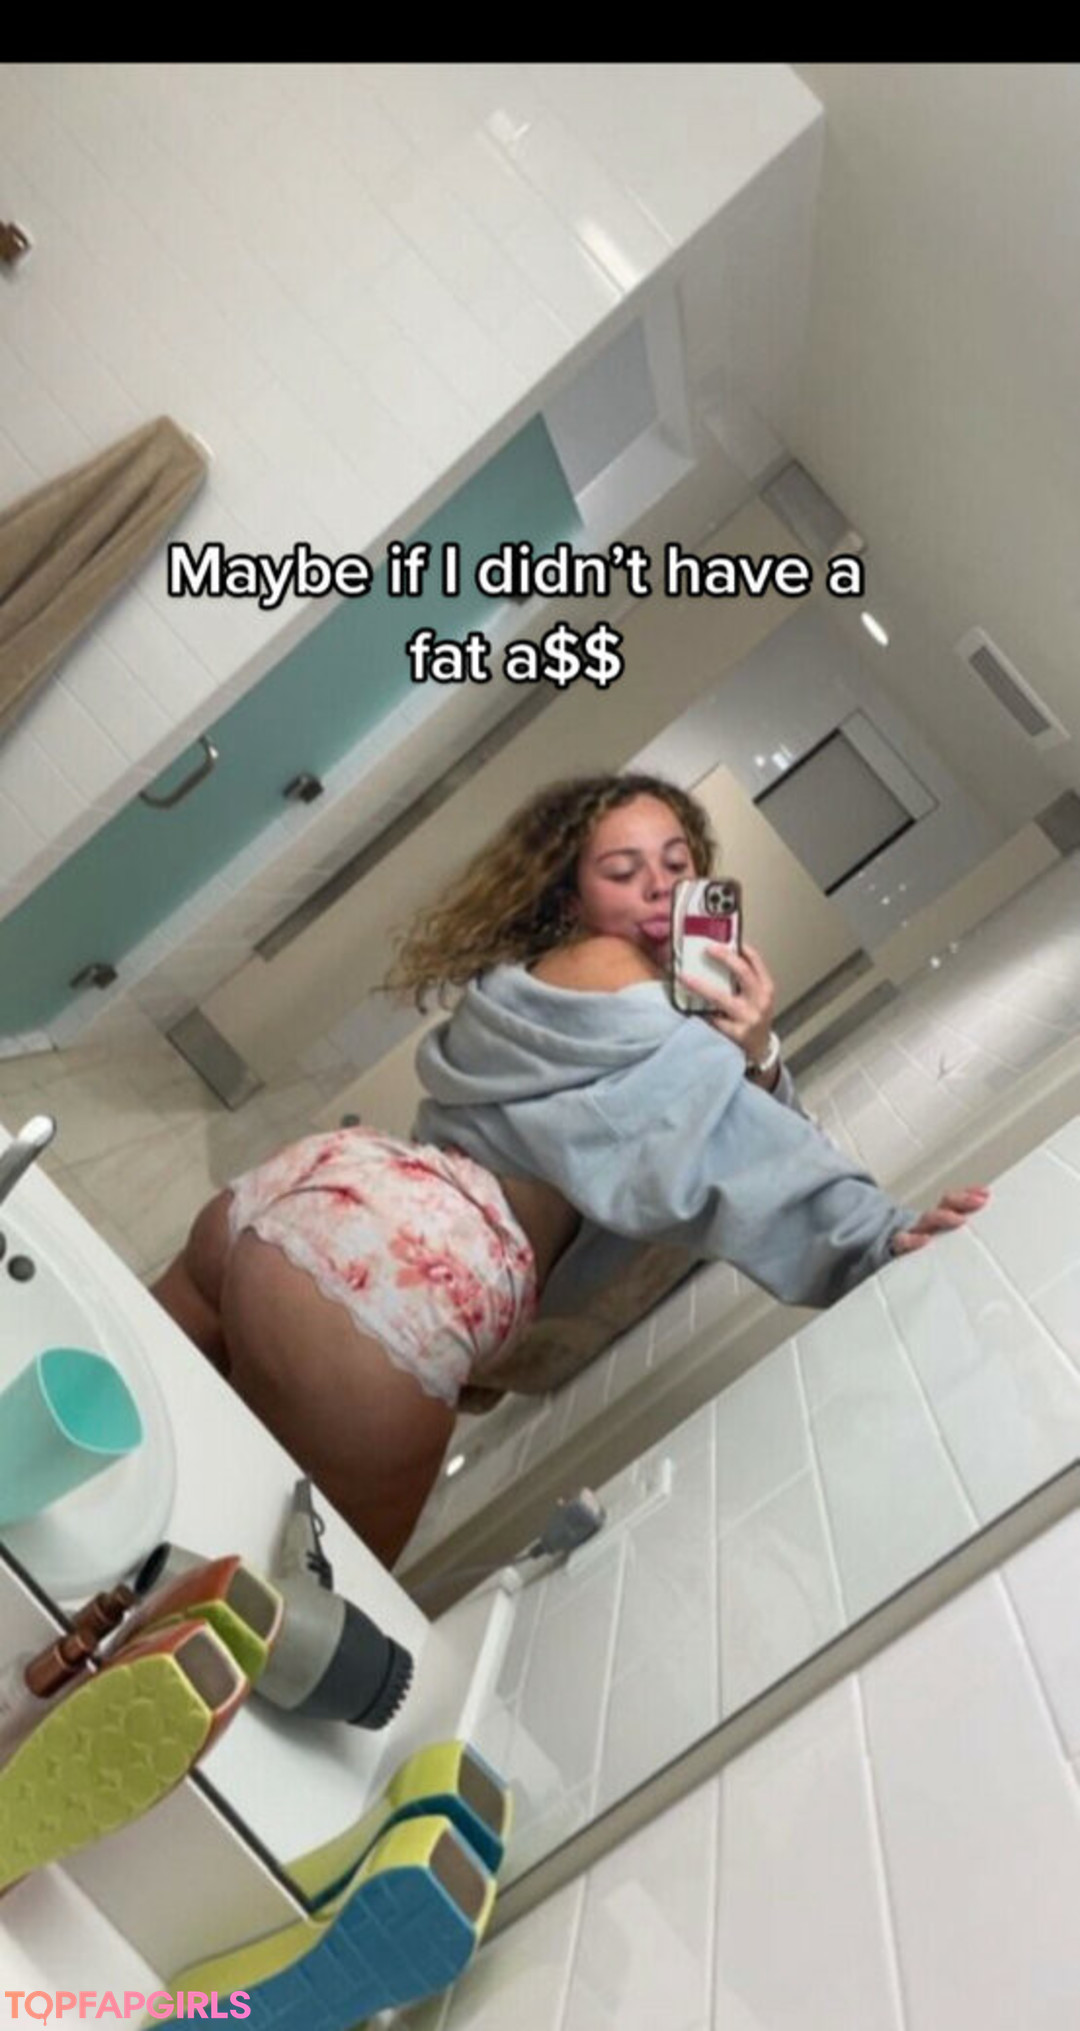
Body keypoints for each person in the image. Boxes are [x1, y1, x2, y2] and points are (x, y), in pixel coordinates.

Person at [152, 773, 988, 1566]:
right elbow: (742, 1148)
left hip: (312, 1189)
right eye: (623, 872)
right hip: (401, 1285)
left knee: (134, 1433)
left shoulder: (526, 991)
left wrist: (747, 1050)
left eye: (677, 866)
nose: (658, 888)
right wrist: (879, 1238)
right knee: (265, 1604)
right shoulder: (636, 994)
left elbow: (704, 1110)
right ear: (571, 899)